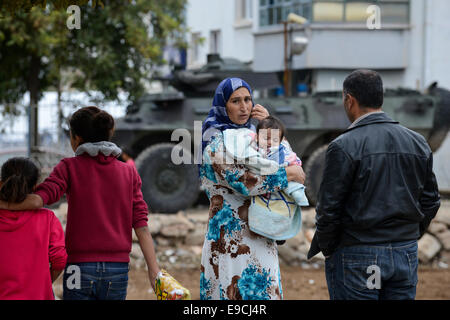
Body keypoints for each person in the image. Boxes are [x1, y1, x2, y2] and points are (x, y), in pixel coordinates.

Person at [0, 106, 160, 300]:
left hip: (78, 268)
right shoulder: (128, 172)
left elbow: (37, 201)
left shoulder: (68, 167)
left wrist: (6, 205)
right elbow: (141, 226)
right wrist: (154, 270)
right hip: (117, 270)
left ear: (76, 138)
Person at [307, 70, 441, 300]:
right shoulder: (418, 142)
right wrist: (408, 235)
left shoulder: (343, 146)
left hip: (357, 255)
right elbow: (431, 201)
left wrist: (331, 249)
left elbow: (328, 209)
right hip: (404, 254)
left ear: (349, 100)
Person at [199, 78, 305, 300]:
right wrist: (288, 175)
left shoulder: (253, 139)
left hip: (261, 232)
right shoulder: (216, 143)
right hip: (229, 239)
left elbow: (284, 157)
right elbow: (245, 183)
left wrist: (269, 123)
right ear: (223, 105)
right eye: (236, 101)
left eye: (248, 99)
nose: (244, 106)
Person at [0, 158, 67, 300]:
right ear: (36, 187)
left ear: (1, 183)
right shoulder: (47, 218)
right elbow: (60, 260)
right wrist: (43, 283)